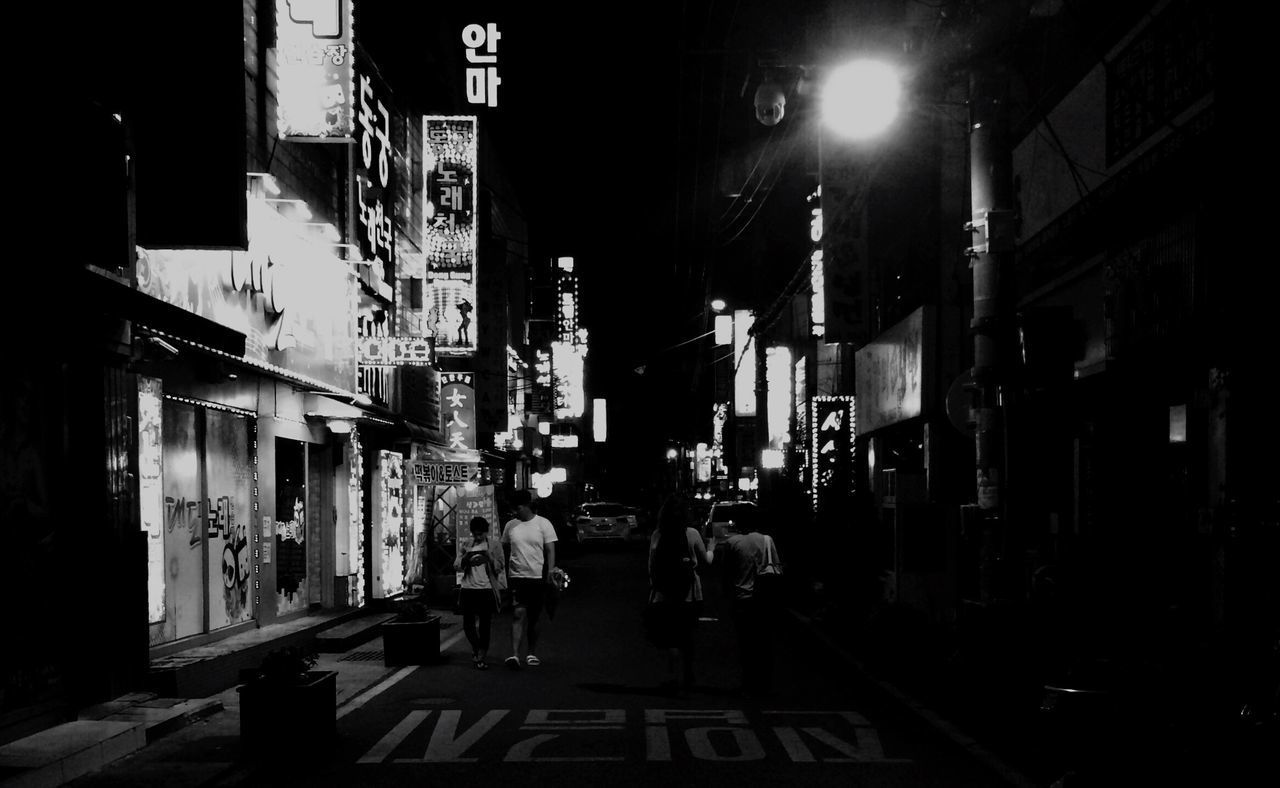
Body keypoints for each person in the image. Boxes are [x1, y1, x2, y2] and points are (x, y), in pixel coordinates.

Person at [647, 497, 715, 694]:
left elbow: (651, 566)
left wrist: (654, 589)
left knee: (671, 636)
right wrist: (711, 548)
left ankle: (672, 677)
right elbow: (707, 561)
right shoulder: (692, 533)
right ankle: (688, 675)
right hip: (691, 593)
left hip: (665, 593)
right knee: (687, 634)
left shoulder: (657, 534)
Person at [723, 505, 782, 698]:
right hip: (763, 599)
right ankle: (765, 683)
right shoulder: (767, 540)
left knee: (746, 645)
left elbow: (727, 573)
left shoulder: (733, 543)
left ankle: (748, 683)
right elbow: (776, 567)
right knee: (764, 643)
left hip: (742, 598)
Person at [501, 489, 558, 668]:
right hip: (517, 576)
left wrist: (550, 570)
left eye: (517, 508)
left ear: (525, 506)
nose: (515, 512)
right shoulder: (510, 525)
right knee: (518, 613)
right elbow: (504, 549)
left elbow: (550, 549)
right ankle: (515, 655)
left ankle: (531, 653)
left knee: (534, 616)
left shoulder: (543, 524)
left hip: (538, 576)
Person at [454, 516, 503, 669]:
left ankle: (481, 655)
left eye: (480, 534)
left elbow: (499, 567)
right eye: (475, 534)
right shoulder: (467, 544)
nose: (478, 537)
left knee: (485, 624)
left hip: (486, 589)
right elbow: (456, 565)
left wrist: (489, 556)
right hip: (468, 588)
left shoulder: (494, 545)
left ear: (486, 532)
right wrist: (465, 558)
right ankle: (477, 649)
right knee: (467, 624)